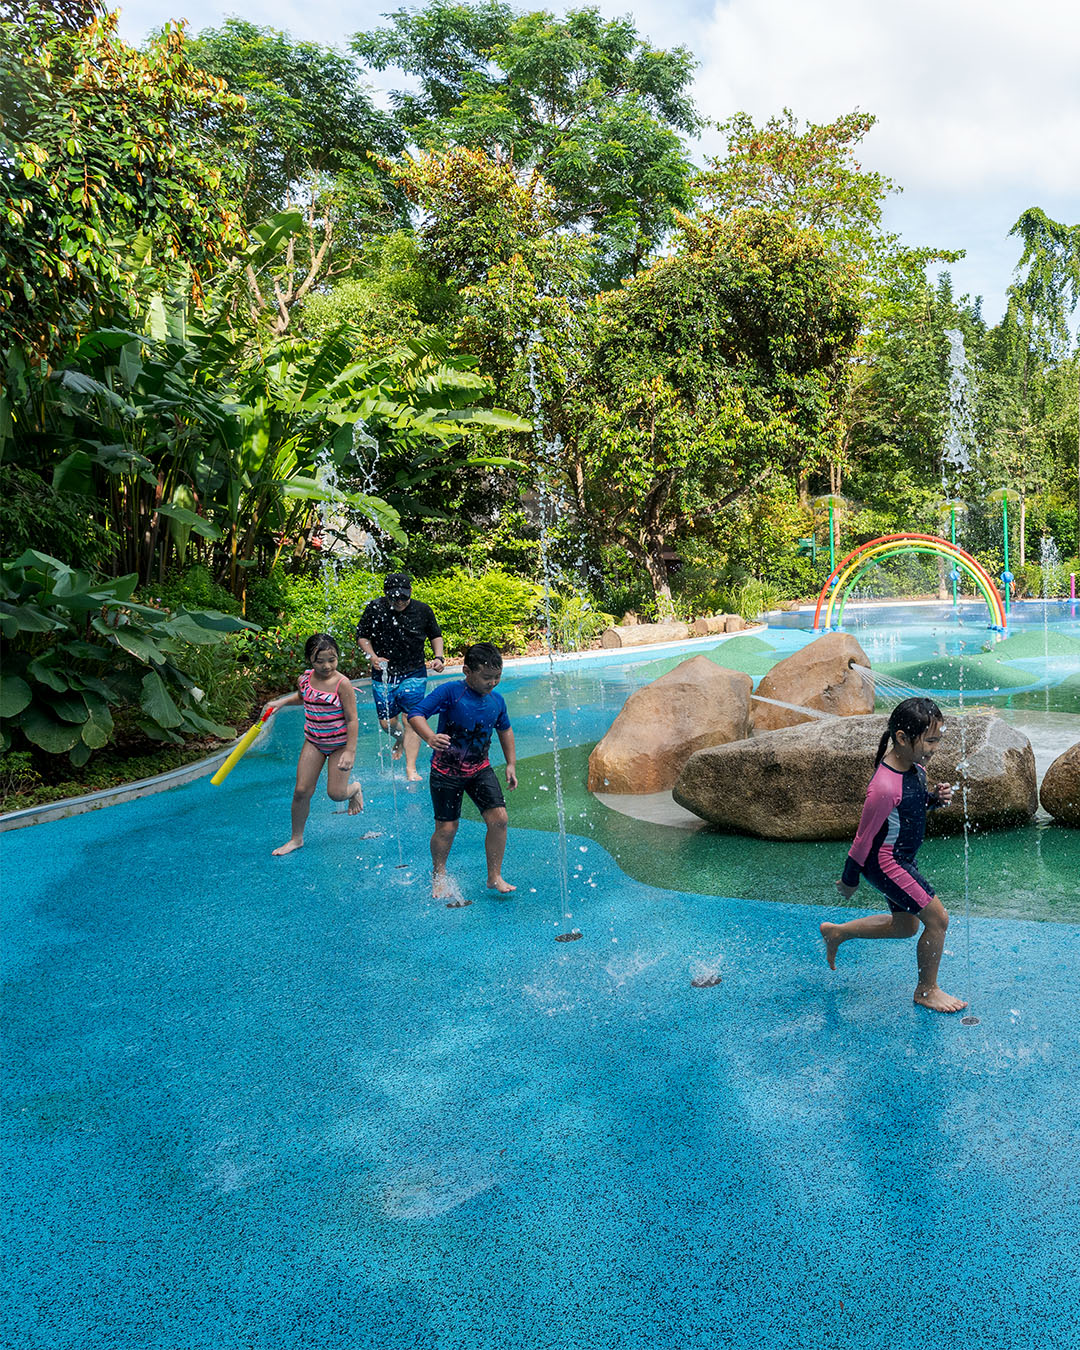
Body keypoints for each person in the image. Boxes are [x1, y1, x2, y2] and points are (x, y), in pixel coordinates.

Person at [820, 697, 968, 1014]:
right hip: (886, 863)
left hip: (901, 860)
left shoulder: (914, 768)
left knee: (905, 927)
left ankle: (837, 932)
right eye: (930, 740)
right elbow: (863, 839)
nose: (935, 748)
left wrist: (934, 800)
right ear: (902, 738)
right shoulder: (883, 787)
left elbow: (909, 808)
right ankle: (926, 990)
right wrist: (849, 879)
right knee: (938, 920)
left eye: (937, 740)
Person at [407, 642, 517, 903]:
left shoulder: (496, 700)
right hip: (446, 771)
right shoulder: (451, 692)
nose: (493, 683)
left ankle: (494, 876)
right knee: (447, 828)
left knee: (499, 819)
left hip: (480, 769)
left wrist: (511, 763)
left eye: (497, 677)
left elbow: (505, 730)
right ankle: (439, 873)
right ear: (467, 671)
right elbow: (416, 714)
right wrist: (430, 737)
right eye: (487, 677)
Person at [267, 634, 364, 856]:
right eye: (319, 661)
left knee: (336, 794)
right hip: (314, 741)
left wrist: (350, 751)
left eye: (332, 659)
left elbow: (352, 720)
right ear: (310, 660)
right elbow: (302, 697)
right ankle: (296, 839)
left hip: (339, 745)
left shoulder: (342, 684)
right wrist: (282, 702)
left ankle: (355, 789)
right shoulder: (305, 679)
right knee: (301, 791)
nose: (326, 666)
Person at [356, 572, 444, 782]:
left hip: (414, 672)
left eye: (404, 597)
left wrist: (439, 657)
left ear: (410, 591)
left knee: (411, 719)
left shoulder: (422, 610)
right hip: (383, 673)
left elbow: (435, 635)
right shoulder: (375, 608)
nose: (400, 602)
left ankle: (410, 769)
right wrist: (373, 657)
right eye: (394, 598)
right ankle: (400, 738)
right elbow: (362, 636)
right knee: (386, 723)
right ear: (386, 594)